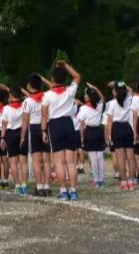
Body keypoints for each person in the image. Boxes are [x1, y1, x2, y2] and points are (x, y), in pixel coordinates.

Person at [41, 60, 81, 200]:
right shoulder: (70, 91)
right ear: (64, 79)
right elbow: (77, 76)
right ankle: (74, 191)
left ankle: (63, 191)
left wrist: (43, 131)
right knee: (70, 161)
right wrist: (65, 66)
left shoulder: (47, 95)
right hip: (68, 124)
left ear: (52, 80)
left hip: (55, 125)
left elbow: (44, 115)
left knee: (59, 161)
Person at [104, 81, 136, 192]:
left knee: (121, 158)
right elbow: (131, 90)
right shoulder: (130, 99)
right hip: (127, 128)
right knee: (131, 158)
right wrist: (120, 84)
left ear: (115, 91)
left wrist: (109, 135)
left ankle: (123, 182)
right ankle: (131, 182)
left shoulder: (112, 103)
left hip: (116, 129)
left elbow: (109, 121)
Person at [78, 84, 107, 189]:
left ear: (89, 97)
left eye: (86, 95)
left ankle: (96, 180)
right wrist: (95, 88)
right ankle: (102, 180)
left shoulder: (83, 108)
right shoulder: (98, 106)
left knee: (93, 157)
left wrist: (81, 136)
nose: (85, 96)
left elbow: (81, 124)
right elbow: (103, 98)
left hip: (89, 132)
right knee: (100, 157)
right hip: (98, 131)